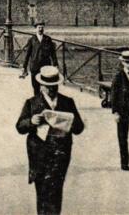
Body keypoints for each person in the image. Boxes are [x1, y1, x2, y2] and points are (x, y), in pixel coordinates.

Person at [16, 66, 85, 215]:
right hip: (39, 154)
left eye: (53, 87)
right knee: (42, 191)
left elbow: (79, 128)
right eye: (48, 87)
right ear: (41, 86)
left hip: (60, 153)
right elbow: (20, 127)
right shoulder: (32, 103)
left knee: (56, 190)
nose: (51, 90)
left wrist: (68, 122)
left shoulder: (68, 102)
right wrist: (31, 121)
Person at [21, 21, 58, 96]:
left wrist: (55, 64)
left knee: (47, 85)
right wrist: (24, 67)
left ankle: (45, 101)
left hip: (46, 67)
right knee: (35, 86)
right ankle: (37, 102)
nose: (40, 29)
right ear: (36, 29)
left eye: (42, 27)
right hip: (35, 66)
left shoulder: (48, 39)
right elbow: (27, 55)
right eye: (39, 27)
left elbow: (53, 53)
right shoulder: (32, 40)